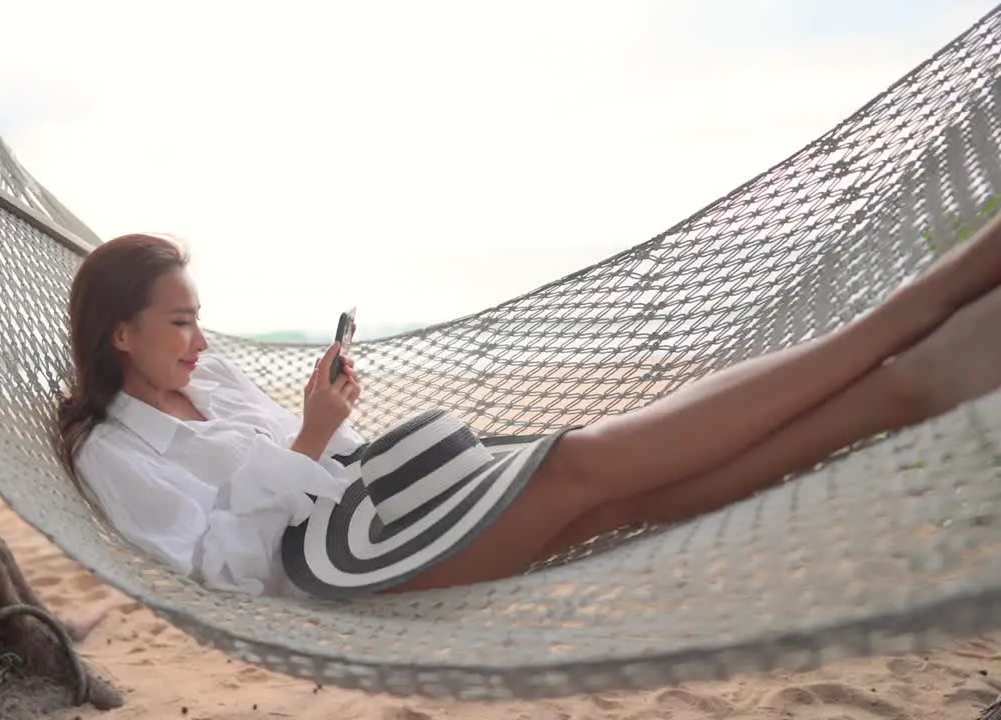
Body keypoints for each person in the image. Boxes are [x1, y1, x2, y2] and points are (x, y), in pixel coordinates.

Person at [58, 227, 1001, 599]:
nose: (201, 342)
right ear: (119, 336)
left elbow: (327, 454)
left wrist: (329, 418)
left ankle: (909, 386)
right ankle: (918, 309)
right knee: (583, 463)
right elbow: (217, 569)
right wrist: (308, 438)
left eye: (199, 320)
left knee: (621, 495)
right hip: (349, 568)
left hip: (398, 501)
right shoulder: (114, 454)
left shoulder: (212, 386)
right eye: (181, 323)